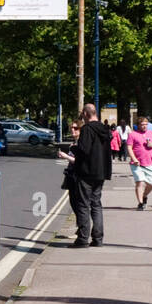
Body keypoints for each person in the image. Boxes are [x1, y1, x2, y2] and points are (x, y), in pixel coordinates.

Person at [71, 103, 112, 247]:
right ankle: (98, 238)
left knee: (83, 205)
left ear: (86, 114)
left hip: (87, 172)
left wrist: (74, 149)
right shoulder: (105, 129)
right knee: (96, 204)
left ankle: (82, 239)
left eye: (82, 114)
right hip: (101, 172)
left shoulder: (88, 129)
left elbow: (84, 150)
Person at [125, 115, 152, 210]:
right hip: (137, 164)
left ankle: (144, 196)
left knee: (151, 184)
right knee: (140, 182)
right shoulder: (132, 134)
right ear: (138, 125)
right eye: (142, 124)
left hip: (149, 163)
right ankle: (140, 203)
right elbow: (129, 148)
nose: (145, 126)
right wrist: (134, 158)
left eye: (146, 124)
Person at [57, 121, 83, 223]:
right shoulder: (73, 143)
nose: (72, 129)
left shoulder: (81, 143)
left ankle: (81, 229)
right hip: (71, 174)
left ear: (81, 130)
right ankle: (79, 227)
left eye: (75, 128)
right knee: (73, 201)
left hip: (78, 175)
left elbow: (80, 161)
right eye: (71, 127)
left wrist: (66, 156)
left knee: (78, 203)